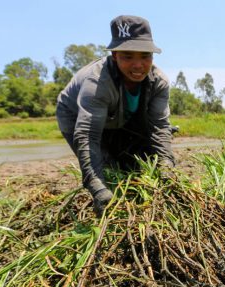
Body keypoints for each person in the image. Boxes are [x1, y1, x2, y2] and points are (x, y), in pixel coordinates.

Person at [56, 15, 174, 215]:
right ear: (114, 56)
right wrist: (97, 187)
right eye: (128, 56)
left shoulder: (158, 82)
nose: (138, 65)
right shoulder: (97, 83)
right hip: (75, 116)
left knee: (135, 166)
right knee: (106, 169)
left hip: (121, 116)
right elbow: (87, 135)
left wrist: (167, 167)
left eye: (145, 56)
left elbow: (160, 127)